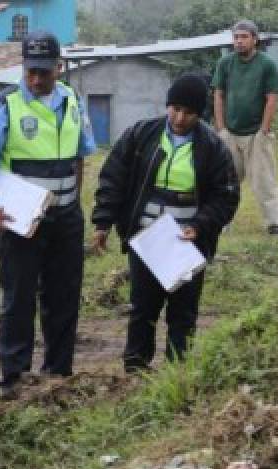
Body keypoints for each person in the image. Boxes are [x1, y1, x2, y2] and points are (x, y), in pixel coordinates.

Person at [0, 31, 96, 399]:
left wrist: (74, 200)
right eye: (30, 72)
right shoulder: (3, 106)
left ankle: (58, 373)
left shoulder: (73, 100)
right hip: (21, 219)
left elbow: (80, 155)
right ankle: (15, 377)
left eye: (44, 72)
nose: (37, 79)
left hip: (66, 216)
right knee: (19, 297)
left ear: (59, 67)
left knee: (64, 297)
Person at [92, 74, 240, 372]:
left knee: (183, 311)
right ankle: (135, 369)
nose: (180, 118)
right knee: (142, 307)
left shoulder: (212, 147)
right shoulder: (141, 135)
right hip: (146, 238)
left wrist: (199, 226)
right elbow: (113, 179)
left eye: (189, 112)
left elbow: (226, 196)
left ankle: (178, 371)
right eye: (175, 109)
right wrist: (103, 222)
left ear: (200, 114)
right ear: (167, 105)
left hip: (187, 243)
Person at [212, 20, 278, 235]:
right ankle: (222, 220)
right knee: (225, 181)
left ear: (255, 39)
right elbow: (218, 94)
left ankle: (275, 224)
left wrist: (264, 130)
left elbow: (272, 97)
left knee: (265, 180)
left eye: (244, 37)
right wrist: (221, 128)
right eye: (236, 37)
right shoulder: (225, 63)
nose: (239, 41)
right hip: (230, 133)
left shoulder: (266, 64)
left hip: (256, 134)